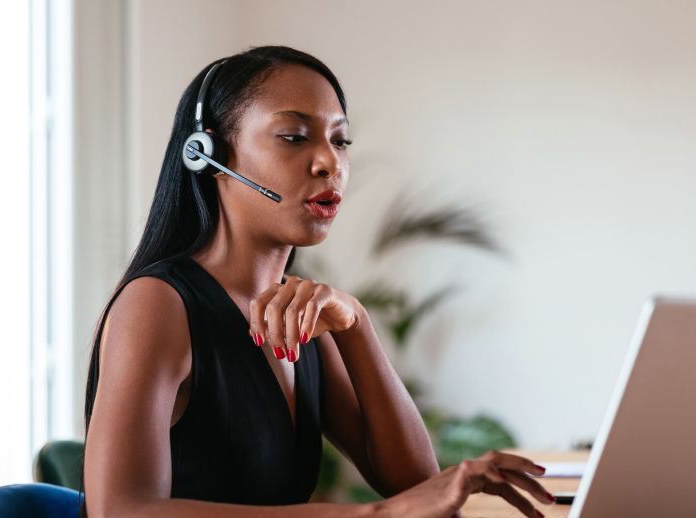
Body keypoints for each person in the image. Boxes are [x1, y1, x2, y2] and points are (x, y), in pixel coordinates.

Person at [82, 45, 554, 518]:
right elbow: (121, 510)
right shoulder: (158, 304)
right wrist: (374, 515)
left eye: (341, 140)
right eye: (293, 137)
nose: (329, 163)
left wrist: (356, 327)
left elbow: (418, 485)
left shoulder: (301, 317)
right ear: (207, 154)